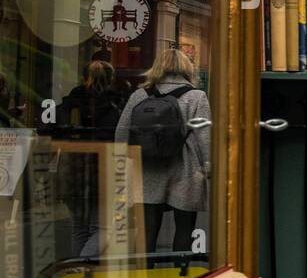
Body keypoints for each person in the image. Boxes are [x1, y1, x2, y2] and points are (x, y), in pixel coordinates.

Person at [116, 47, 211, 254]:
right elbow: (204, 137)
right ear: (187, 68)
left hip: (147, 169)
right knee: (185, 229)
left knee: (148, 231)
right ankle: (180, 277)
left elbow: (121, 134)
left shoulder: (140, 95)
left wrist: (125, 166)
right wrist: (208, 168)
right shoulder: (197, 96)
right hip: (186, 170)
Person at [51, 60, 126, 256]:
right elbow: (120, 136)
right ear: (110, 79)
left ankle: (78, 271)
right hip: (103, 168)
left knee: (79, 228)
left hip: (72, 168)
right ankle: (81, 266)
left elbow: (55, 132)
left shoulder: (70, 103)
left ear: (84, 77)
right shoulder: (116, 104)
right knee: (101, 229)